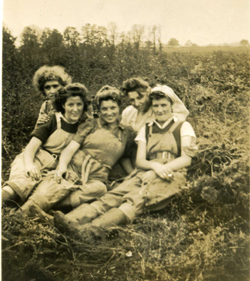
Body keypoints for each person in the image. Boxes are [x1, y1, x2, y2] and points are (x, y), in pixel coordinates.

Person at [53, 84, 196, 236]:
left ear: (171, 105)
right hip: (146, 170)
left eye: (163, 105)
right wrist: (154, 167)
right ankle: (68, 221)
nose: (160, 110)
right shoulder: (146, 128)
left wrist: (158, 171)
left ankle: (89, 232)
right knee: (113, 195)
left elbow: (186, 159)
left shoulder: (183, 126)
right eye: (156, 106)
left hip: (171, 173)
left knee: (138, 198)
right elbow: (140, 160)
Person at [18, 86, 135, 217]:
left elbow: (125, 158)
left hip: (97, 177)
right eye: (104, 109)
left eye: (112, 108)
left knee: (99, 189)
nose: (109, 113)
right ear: (99, 111)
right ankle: (22, 213)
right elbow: (70, 149)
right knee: (59, 184)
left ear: (119, 107)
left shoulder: (127, 132)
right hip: (74, 168)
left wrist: (133, 176)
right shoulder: (91, 123)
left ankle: (47, 209)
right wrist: (62, 167)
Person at [2, 83, 90, 205]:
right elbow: (31, 147)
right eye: (70, 104)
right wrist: (29, 165)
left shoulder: (84, 125)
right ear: (63, 105)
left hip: (57, 166)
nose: (75, 109)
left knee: (47, 192)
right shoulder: (53, 120)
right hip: (36, 158)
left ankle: (22, 212)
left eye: (79, 104)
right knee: (21, 183)